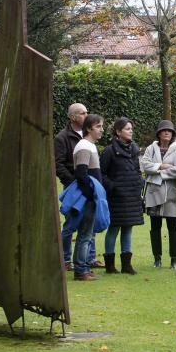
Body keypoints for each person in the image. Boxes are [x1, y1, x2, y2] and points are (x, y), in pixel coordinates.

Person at [54, 102, 101, 271]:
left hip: (87, 184)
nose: (86, 115)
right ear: (73, 117)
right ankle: (65, 259)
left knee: (90, 220)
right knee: (71, 224)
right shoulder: (62, 138)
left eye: (87, 112)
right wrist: (73, 181)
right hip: (74, 186)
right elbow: (58, 164)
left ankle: (90, 257)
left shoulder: (89, 136)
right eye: (82, 113)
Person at [100, 118, 145, 275]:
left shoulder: (134, 148)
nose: (131, 131)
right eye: (127, 129)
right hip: (116, 197)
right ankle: (110, 266)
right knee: (113, 229)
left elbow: (138, 169)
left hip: (132, 195)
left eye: (131, 128)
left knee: (128, 229)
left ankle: (127, 265)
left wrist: (140, 181)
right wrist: (113, 187)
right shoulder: (109, 151)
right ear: (118, 132)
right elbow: (102, 174)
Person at [141, 120, 176, 270]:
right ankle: (157, 259)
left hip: (172, 194)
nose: (167, 132)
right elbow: (145, 165)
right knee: (155, 227)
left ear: (172, 134)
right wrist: (162, 166)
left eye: (169, 131)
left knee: (173, 227)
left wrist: (158, 172)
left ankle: (174, 260)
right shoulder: (150, 149)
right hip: (154, 193)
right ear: (159, 133)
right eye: (164, 130)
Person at [72, 114, 106, 281]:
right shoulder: (84, 146)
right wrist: (91, 195)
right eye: (98, 126)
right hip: (88, 199)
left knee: (87, 234)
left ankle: (83, 267)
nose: (102, 130)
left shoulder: (90, 145)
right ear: (88, 128)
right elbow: (81, 174)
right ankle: (80, 270)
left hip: (91, 198)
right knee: (85, 234)